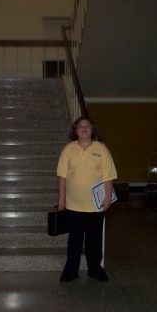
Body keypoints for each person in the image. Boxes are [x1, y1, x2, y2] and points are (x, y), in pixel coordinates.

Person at [56, 116, 117, 282]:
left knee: (94, 241)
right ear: (75, 131)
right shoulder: (68, 149)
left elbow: (109, 176)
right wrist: (62, 200)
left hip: (95, 206)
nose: (84, 128)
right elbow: (62, 177)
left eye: (87, 126)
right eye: (80, 126)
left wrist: (107, 199)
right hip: (73, 205)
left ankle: (95, 270)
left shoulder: (101, 149)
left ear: (93, 130)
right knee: (74, 241)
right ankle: (70, 271)